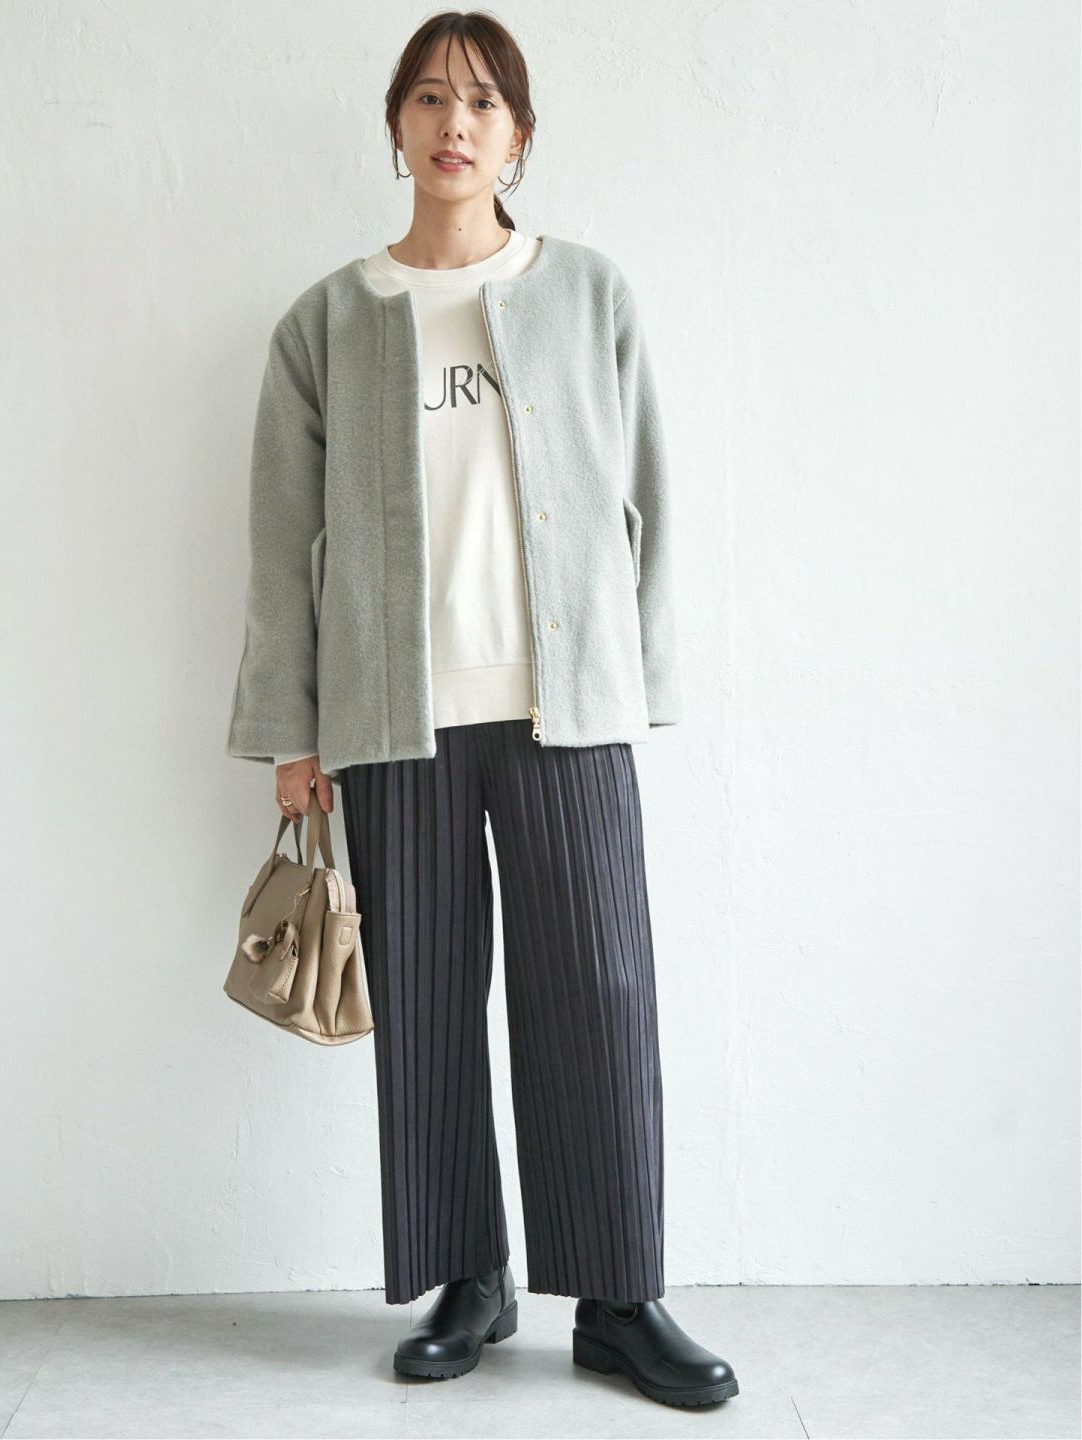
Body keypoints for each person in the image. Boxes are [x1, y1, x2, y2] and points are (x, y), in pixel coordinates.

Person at [226, 9, 739, 1411]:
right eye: (430, 98)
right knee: (430, 999)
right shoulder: (328, 322)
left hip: (564, 705)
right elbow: (279, 544)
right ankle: (469, 1274)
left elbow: (650, 492)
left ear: (519, 136)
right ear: (395, 123)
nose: (455, 124)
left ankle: (619, 1298)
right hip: (395, 715)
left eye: (484, 102)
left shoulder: (586, 294)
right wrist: (293, 732)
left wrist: (641, 677)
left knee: (600, 995)